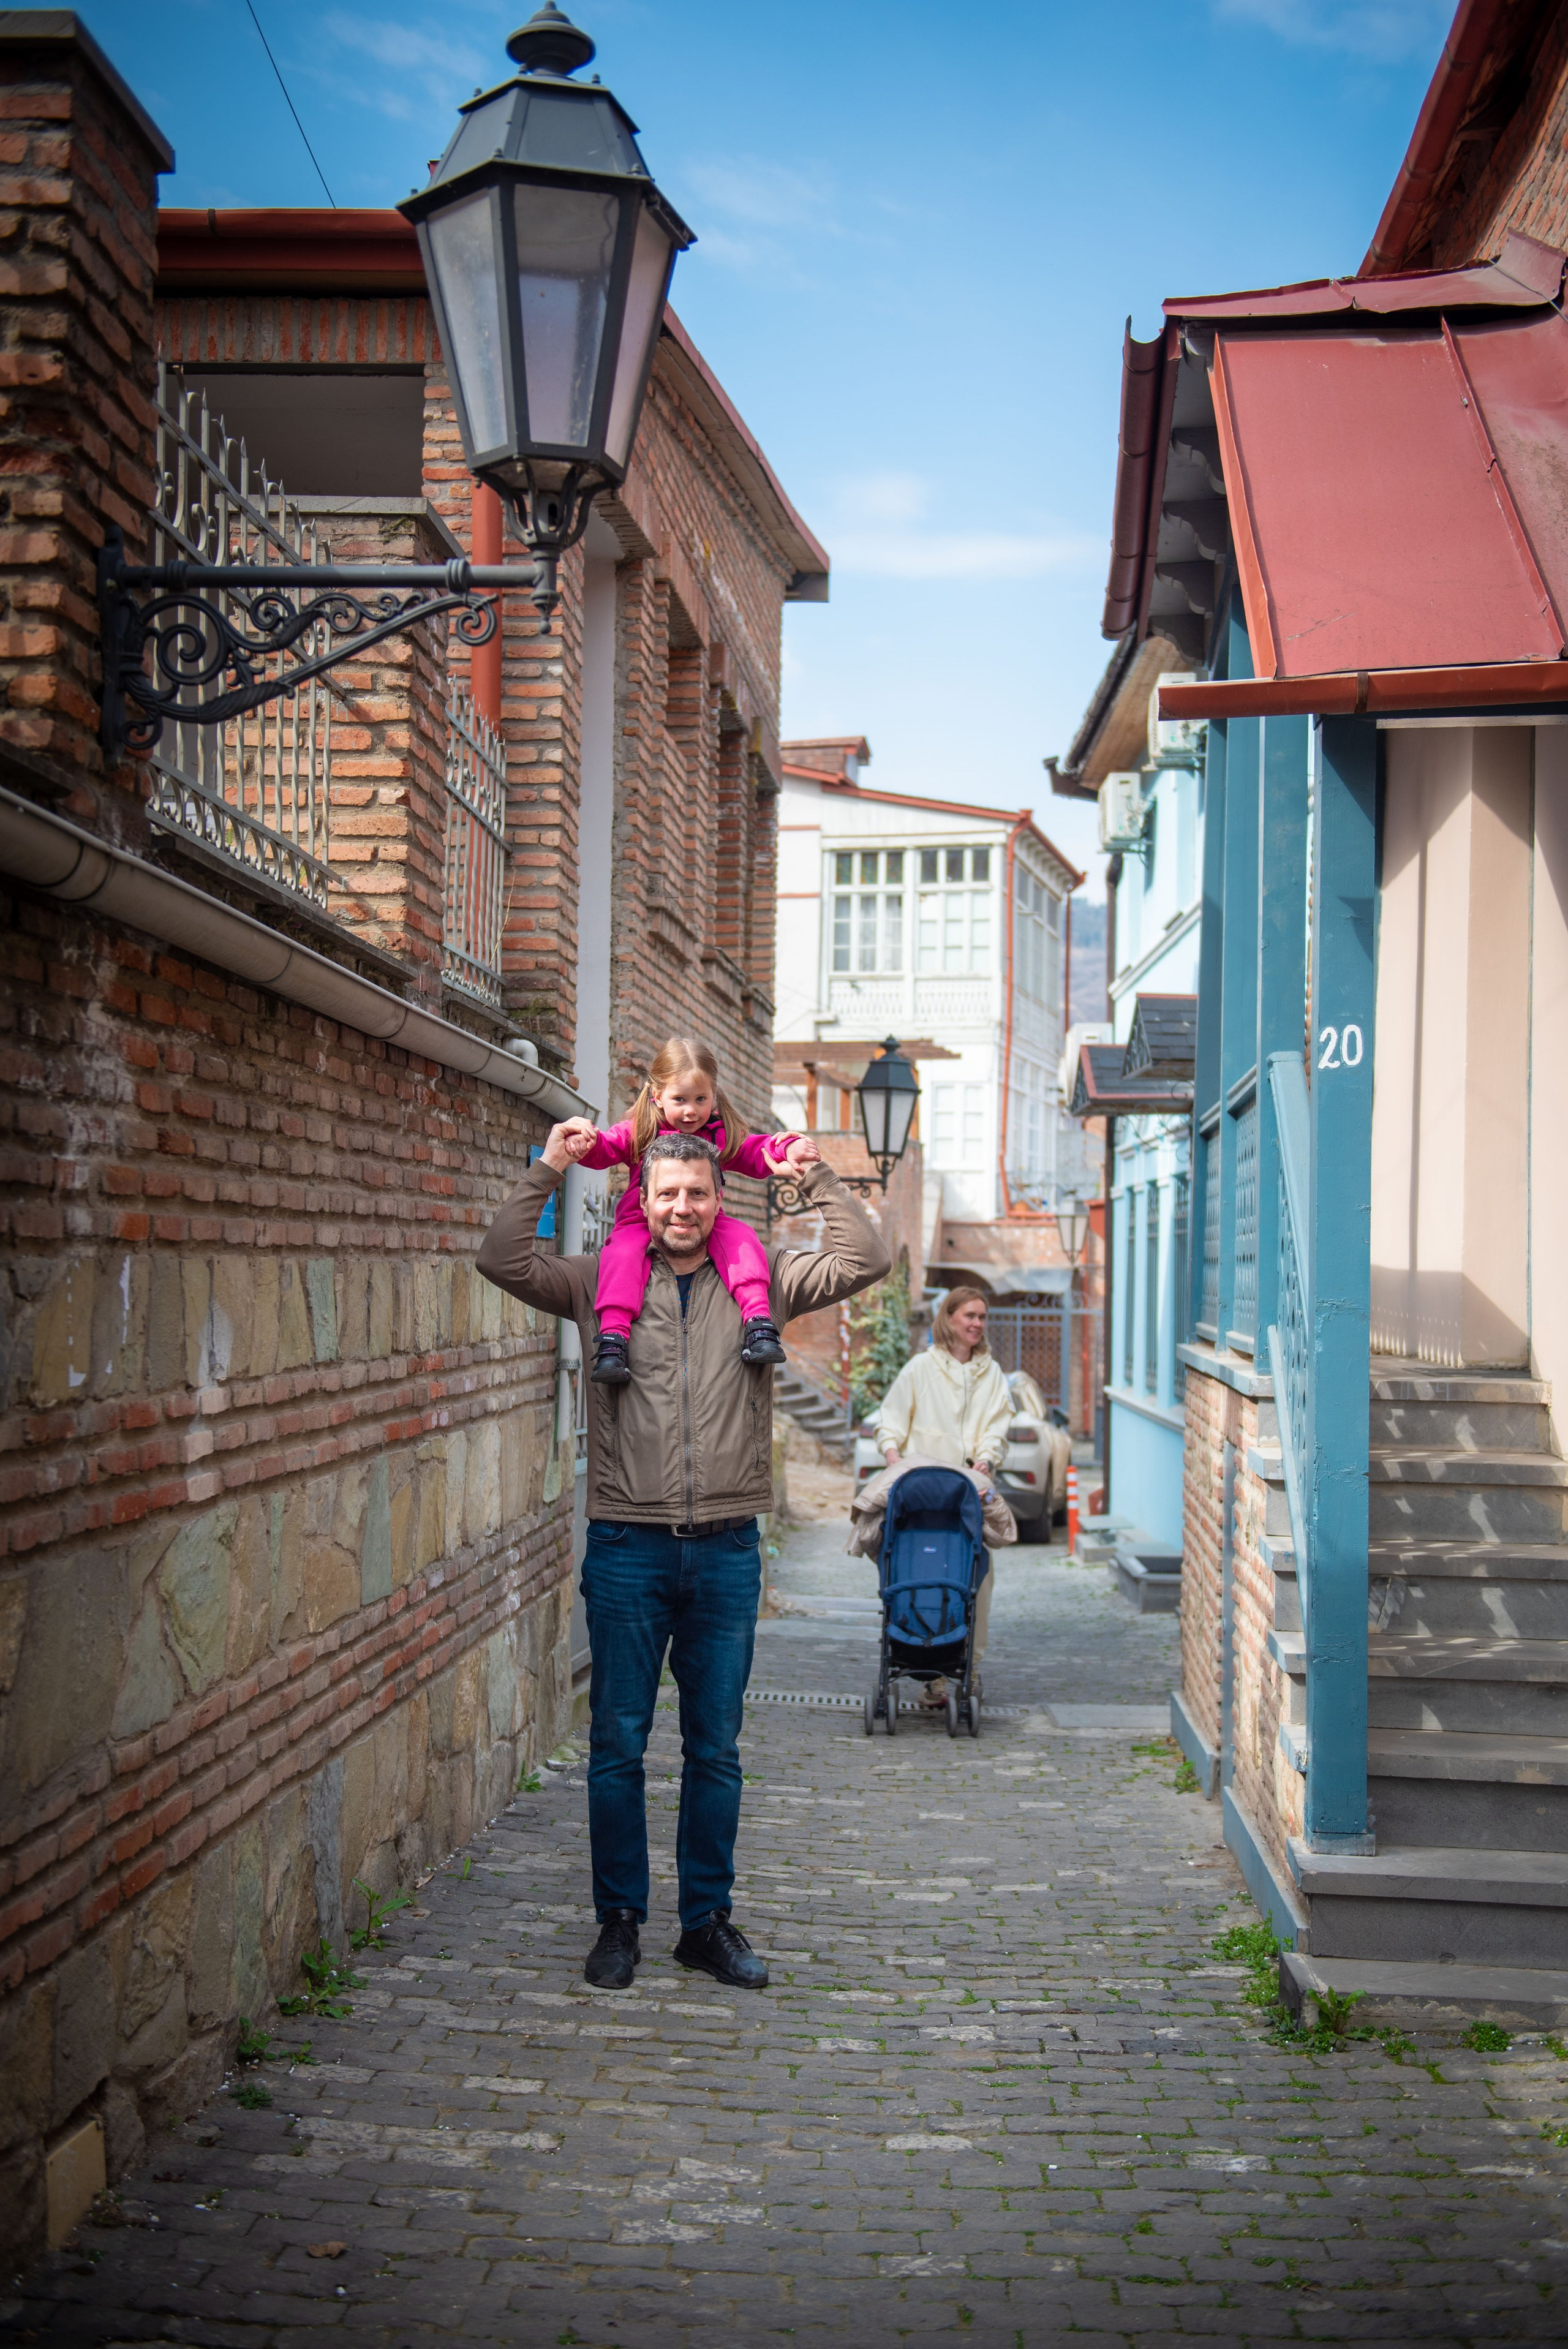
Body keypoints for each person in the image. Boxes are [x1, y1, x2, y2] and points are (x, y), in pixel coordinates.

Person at [476, 1125, 889, 1993]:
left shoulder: (762, 1281)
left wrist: (808, 1172)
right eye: (666, 1193)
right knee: (618, 1744)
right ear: (645, 1196)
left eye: (697, 1193)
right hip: (629, 1545)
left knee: (717, 1748)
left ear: (717, 1198)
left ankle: (705, 1921)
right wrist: (551, 1165)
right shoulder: (599, 1281)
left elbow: (868, 1255)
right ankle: (618, 1920)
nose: (682, 1208)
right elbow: (502, 1257)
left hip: (729, 1550)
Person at [555, 1036, 820, 1387]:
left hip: (703, 1219)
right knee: (620, 1255)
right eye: (680, 1100)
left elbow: (756, 1150)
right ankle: (613, 1341)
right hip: (640, 1220)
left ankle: (758, 1323)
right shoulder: (641, 1130)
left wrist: (787, 1146)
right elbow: (604, 1149)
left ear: (714, 1096)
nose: (691, 1111)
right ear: (657, 1096)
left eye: (701, 1099)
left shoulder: (718, 1134)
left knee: (743, 1239)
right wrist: (583, 1143)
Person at [872, 1286, 1012, 1705]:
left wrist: (987, 1459)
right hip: (922, 1491)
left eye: (983, 1317)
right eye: (969, 1315)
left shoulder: (992, 1374)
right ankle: (928, 1670)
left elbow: (997, 1426)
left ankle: (968, 1665)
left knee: (976, 1577)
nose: (977, 1324)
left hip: (968, 1492)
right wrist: (896, 1460)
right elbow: (892, 1420)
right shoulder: (921, 1367)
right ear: (948, 1317)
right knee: (915, 1568)